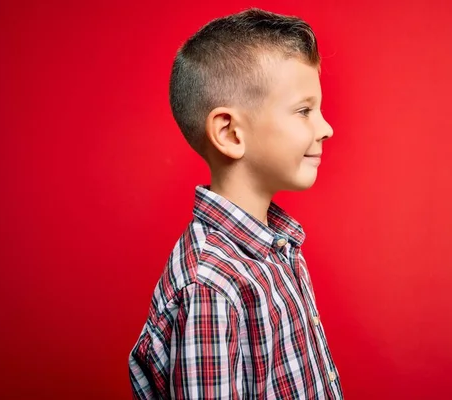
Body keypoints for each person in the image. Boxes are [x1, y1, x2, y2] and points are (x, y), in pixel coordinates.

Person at [129, 8, 342, 399]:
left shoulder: (278, 248)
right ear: (229, 133)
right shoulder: (210, 287)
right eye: (304, 111)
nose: (326, 128)